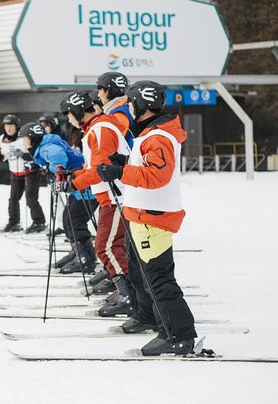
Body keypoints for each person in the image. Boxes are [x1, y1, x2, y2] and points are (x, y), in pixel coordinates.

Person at [97, 80, 196, 356]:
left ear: (141, 103)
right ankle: (157, 320)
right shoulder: (151, 133)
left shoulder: (159, 136)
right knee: (146, 276)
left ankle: (179, 335)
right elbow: (146, 166)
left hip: (152, 218)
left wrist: (119, 173)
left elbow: (157, 176)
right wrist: (123, 163)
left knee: (159, 279)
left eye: (131, 103)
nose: (128, 108)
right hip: (140, 215)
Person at [62, 91, 133, 316]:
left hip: (116, 196)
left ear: (78, 111)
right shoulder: (96, 127)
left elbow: (102, 168)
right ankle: (128, 290)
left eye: (69, 114)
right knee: (111, 245)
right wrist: (73, 175)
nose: (68, 119)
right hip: (110, 197)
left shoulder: (101, 128)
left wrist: (75, 184)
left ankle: (128, 294)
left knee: (107, 246)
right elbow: (94, 164)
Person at [17, 122, 97, 272]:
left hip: (86, 187)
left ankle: (86, 259)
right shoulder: (45, 144)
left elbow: (58, 158)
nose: (23, 142)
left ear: (33, 138)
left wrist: (56, 173)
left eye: (25, 139)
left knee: (74, 221)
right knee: (68, 220)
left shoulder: (47, 147)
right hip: (78, 188)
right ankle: (78, 253)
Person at [0, 114, 45, 233]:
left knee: (30, 198)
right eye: (6, 126)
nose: (8, 128)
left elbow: (35, 153)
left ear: (17, 126)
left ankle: (39, 222)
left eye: (11, 125)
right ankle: (14, 222)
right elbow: (2, 154)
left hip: (30, 172)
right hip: (15, 173)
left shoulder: (23, 137)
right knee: (13, 199)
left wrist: (23, 155)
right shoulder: (2, 139)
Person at [96, 71, 134, 147]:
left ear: (108, 91)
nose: (98, 95)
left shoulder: (120, 114)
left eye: (100, 90)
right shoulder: (126, 107)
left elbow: (109, 143)